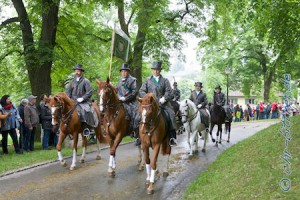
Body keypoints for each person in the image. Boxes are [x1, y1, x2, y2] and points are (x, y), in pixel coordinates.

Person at [139, 61, 177, 146]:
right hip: (150, 104)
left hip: (163, 104)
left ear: (160, 70)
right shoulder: (147, 80)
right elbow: (141, 91)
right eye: (154, 70)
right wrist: (147, 98)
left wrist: (164, 98)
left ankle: (172, 136)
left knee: (171, 114)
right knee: (141, 114)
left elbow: (169, 92)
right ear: (152, 70)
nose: (156, 71)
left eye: (157, 70)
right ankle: (139, 136)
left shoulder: (165, 80)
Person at [66, 64, 98, 134]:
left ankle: (87, 128)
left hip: (84, 102)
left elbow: (89, 92)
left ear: (81, 71)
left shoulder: (86, 81)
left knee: (87, 111)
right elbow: (68, 92)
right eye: (76, 71)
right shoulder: (72, 82)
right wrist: (68, 99)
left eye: (78, 71)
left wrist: (82, 98)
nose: (77, 72)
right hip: (73, 102)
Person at [116, 63, 140, 145]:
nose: (124, 73)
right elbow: (117, 91)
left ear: (128, 72)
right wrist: (119, 97)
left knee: (136, 116)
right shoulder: (119, 81)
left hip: (131, 102)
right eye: (122, 71)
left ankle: (137, 133)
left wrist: (125, 98)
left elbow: (134, 92)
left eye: (125, 71)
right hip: (121, 102)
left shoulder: (133, 80)